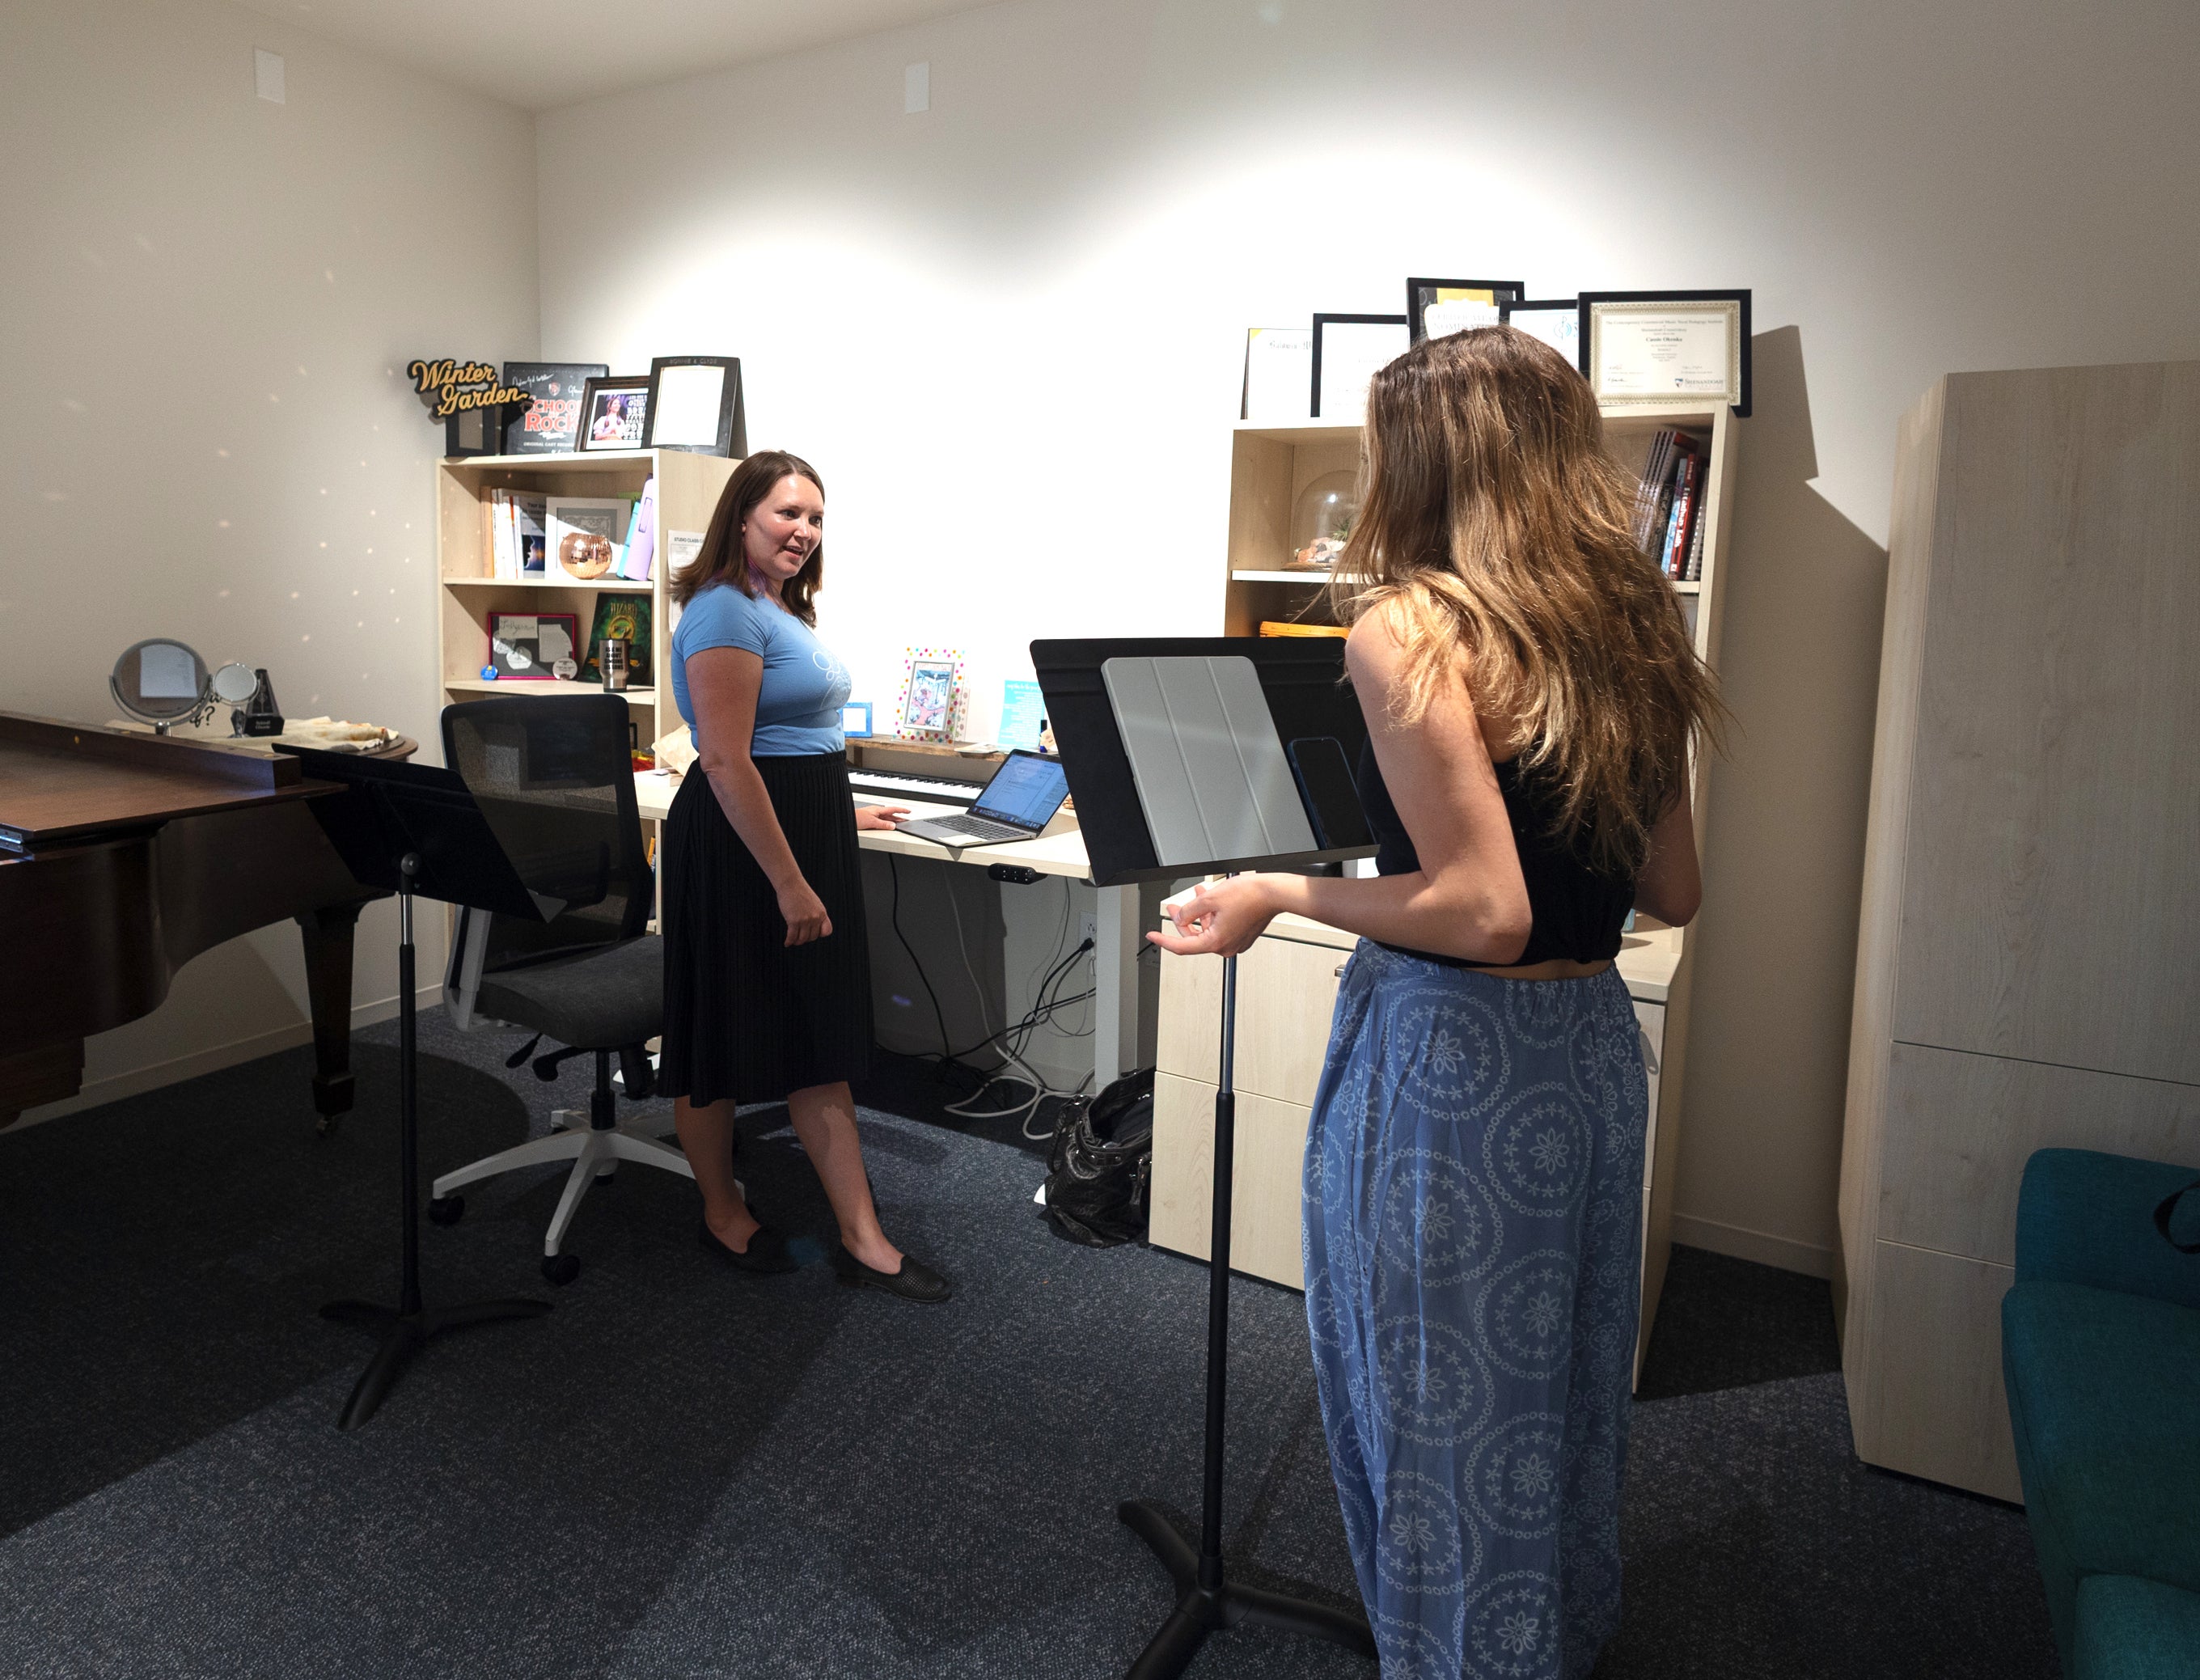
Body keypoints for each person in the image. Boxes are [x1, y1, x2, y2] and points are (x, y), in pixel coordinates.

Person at [1150, 327, 1720, 1676]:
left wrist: (1284, 890)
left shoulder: (1409, 625)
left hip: (1460, 1072)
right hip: (1587, 1060)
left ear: (1425, 456)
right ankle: (1552, 1642)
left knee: (1436, 1410)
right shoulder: (1635, 615)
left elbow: (1481, 909)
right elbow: (1679, 886)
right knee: (1561, 1396)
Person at [660, 449, 951, 1303]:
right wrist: (790, 880)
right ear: (742, 515)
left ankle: (862, 1236)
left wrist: (839, 815)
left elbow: (796, 741)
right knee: (715, 1027)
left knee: (818, 1035)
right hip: (741, 849)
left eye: (815, 519)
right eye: (788, 513)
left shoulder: (774, 607)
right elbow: (724, 759)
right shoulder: (721, 610)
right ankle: (720, 1207)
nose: (803, 531)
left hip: (794, 828)